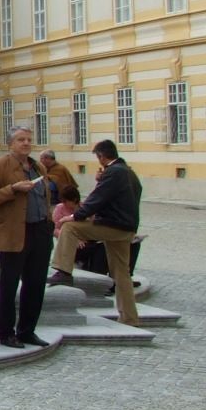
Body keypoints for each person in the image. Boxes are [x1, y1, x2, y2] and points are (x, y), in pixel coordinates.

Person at [48, 139, 144, 326]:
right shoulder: (129, 173)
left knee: (69, 227)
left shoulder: (114, 172)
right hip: (126, 228)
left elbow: (97, 198)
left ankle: (63, 270)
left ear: (102, 156)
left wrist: (77, 215)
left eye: (98, 157)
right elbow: (128, 196)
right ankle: (130, 318)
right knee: (121, 274)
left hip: (113, 226)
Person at [0, 126, 58, 348]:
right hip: (15, 231)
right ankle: (6, 333)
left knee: (35, 284)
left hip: (40, 231)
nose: (25, 143)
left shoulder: (38, 166)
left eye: (28, 139)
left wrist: (49, 222)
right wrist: (13, 189)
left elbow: (45, 197)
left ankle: (27, 331)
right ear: (10, 144)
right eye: (20, 140)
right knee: (9, 284)